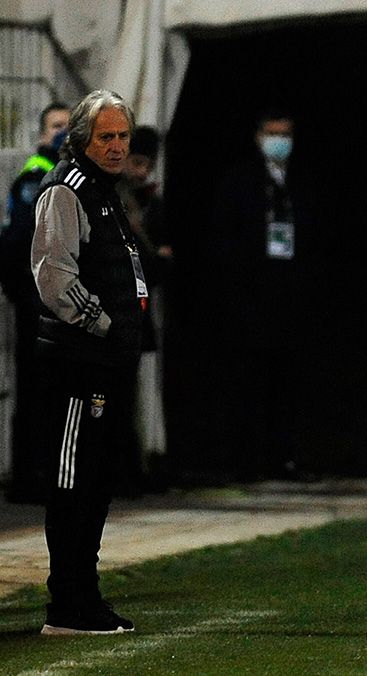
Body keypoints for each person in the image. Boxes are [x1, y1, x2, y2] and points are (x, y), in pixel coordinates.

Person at [31, 90, 145, 634]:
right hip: (79, 364)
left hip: (105, 363)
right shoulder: (66, 190)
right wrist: (103, 325)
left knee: (96, 482)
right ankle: (68, 604)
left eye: (123, 136)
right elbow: (54, 278)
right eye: (106, 137)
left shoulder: (103, 190)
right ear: (81, 139)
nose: (117, 146)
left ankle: (84, 597)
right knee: (73, 482)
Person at [209, 110, 311, 483]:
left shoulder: (298, 182)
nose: (279, 140)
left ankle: (283, 458)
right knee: (248, 383)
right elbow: (225, 241)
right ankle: (245, 460)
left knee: (287, 385)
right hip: (251, 300)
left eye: (285, 133)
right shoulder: (240, 182)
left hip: (289, 300)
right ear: (257, 136)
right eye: (272, 133)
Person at [1, 101, 70, 504]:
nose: (62, 132)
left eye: (68, 125)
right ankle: (31, 476)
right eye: (56, 126)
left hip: (58, 300)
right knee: (36, 390)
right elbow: (23, 240)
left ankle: (51, 474)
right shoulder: (37, 175)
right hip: (39, 299)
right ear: (44, 133)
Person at [115, 126, 171, 493]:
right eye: (135, 162)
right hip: (114, 311)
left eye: (145, 164)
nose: (140, 171)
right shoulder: (112, 198)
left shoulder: (150, 200)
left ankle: (130, 468)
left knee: (128, 393)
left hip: (133, 311)